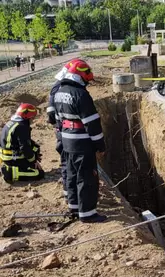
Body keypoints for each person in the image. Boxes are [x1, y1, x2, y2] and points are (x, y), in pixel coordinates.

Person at [53, 58, 108, 223]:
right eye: (86, 79)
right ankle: (88, 213)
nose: (87, 82)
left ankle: (74, 207)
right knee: (87, 178)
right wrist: (100, 145)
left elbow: (57, 120)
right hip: (82, 142)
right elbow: (92, 124)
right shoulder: (81, 94)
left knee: (71, 175)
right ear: (80, 75)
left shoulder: (59, 92)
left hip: (67, 141)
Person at [0, 103, 44, 183]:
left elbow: (23, 141)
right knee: (39, 174)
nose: (32, 120)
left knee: (35, 147)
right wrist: (33, 161)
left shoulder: (13, 122)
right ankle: (10, 173)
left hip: (6, 155)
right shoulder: (22, 126)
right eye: (32, 117)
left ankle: (25, 165)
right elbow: (24, 148)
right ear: (27, 117)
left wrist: (34, 154)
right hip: (11, 158)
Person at [47, 66, 68, 199]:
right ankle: (72, 197)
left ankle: (69, 196)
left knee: (66, 164)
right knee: (70, 164)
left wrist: (58, 127)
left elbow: (50, 115)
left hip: (62, 131)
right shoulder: (64, 89)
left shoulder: (55, 89)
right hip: (70, 133)